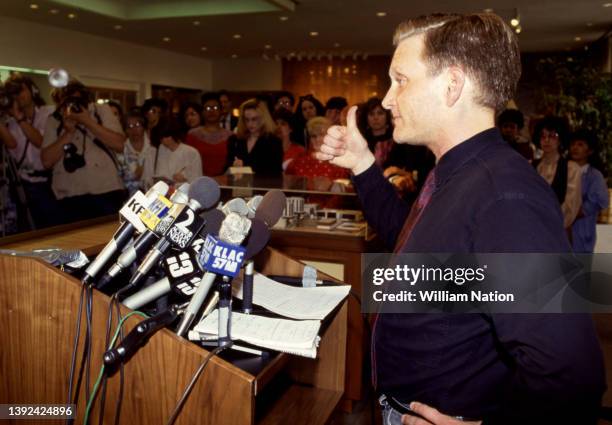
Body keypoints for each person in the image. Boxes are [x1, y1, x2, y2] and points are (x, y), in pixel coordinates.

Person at [317, 13, 604, 425]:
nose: (386, 99)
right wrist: (362, 164)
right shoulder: (457, 172)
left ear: (452, 85)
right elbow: (412, 244)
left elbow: (572, 378)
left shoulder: (506, 197)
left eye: (401, 80)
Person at [41, 80, 126, 223]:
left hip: (105, 191)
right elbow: (46, 161)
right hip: (69, 196)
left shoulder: (101, 111)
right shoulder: (54, 120)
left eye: (78, 100)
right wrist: (68, 133)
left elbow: (120, 144)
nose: (73, 105)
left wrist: (88, 122)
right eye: (68, 100)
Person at [0, 73, 62, 229]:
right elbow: (12, 145)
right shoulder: (11, 121)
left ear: (32, 90)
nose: (18, 96)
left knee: (50, 229)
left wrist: (21, 119)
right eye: (13, 93)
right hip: (23, 184)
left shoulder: (48, 113)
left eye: (20, 90)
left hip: (47, 184)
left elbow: (41, 142)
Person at [532, 116, 582, 230]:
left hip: (558, 230)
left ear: (560, 140)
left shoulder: (571, 169)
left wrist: (549, 223)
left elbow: (571, 206)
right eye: (543, 136)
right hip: (533, 229)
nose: (547, 140)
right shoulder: (531, 167)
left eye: (552, 136)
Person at [569, 130, 609, 253]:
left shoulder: (594, 176)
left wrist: (569, 215)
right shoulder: (564, 171)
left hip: (582, 233)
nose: (575, 148)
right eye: (573, 144)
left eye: (580, 144)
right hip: (560, 233)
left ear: (590, 151)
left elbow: (597, 202)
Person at [226, 98, 283, 177]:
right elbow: (226, 168)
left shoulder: (273, 142)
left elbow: (275, 171)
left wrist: (245, 167)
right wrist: (233, 166)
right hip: (239, 186)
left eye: (254, 119)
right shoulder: (235, 140)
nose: (250, 124)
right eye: (247, 120)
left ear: (263, 119)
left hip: (264, 186)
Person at [142, 118, 202, 188]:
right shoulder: (153, 152)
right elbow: (146, 181)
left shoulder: (192, 153)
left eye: (167, 136)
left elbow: (197, 184)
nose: (164, 140)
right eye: (161, 137)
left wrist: (184, 180)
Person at [185, 92, 233, 176]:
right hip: (198, 182)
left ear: (221, 110)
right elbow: (187, 163)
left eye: (215, 107)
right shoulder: (193, 135)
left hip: (224, 184)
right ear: (202, 112)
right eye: (207, 108)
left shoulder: (231, 136)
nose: (211, 111)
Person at [118, 107, 151, 196]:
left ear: (143, 126)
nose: (134, 129)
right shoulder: (121, 149)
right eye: (129, 126)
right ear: (125, 130)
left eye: (137, 125)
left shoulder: (153, 146)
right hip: (130, 196)